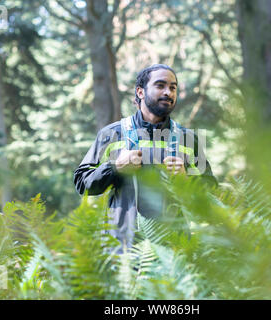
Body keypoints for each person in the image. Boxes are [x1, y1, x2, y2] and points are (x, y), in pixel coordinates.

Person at [73, 64, 217, 251]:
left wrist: (186, 179)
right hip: (122, 248)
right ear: (140, 92)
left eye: (173, 87)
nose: (168, 92)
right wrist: (115, 167)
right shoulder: (112, 134)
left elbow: (211, 190)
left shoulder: (188, 139)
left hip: (175, 250)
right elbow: (82, 184)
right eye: (160, 85)